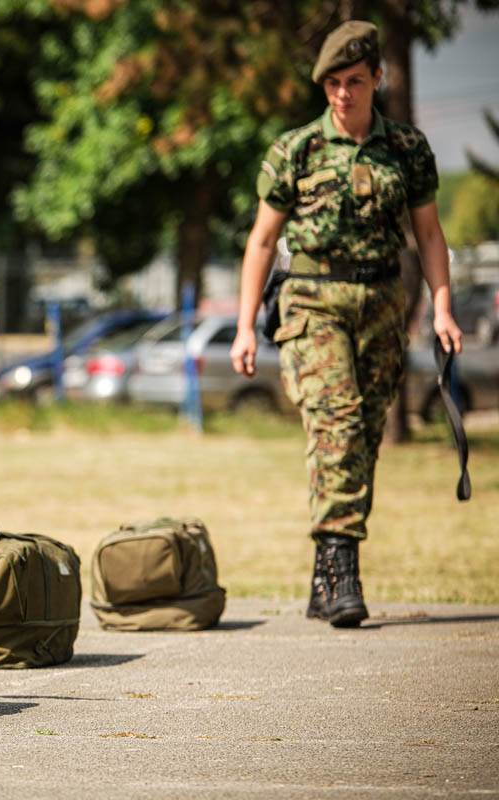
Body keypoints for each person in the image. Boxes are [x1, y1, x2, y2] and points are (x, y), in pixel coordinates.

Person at [228, 20, 463, 628]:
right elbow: (261, 242)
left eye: (354, 81)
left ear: (378, 79)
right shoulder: (296, 150)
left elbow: (430, 234)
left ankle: (324, 574)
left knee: (363, 433)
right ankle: (341, 567)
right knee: (334, 422)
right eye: (332, 83)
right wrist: (245, 326)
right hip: (311, 301)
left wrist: (440, 306)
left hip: (384, 301)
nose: (342, 94)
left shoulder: (406, 149)